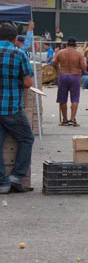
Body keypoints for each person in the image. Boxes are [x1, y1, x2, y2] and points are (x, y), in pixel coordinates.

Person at [0, 22, 34, 194]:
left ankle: (2, 183)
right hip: (11, 107)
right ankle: (15, 176)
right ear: (15, 39)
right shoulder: (18, 53)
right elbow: (28, 82)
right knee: (27, 139)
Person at [52, 37, 87, 127]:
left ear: (67, 44)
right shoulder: (79, 54)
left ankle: (65, 120)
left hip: (63, 75)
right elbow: (84, 67)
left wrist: (56, 55)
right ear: (75, 45)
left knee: (62, 99)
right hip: (75, 76)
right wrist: (84, 61)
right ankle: (72, 119)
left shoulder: (60, 52)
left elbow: (54, 64)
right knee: (75, 99)